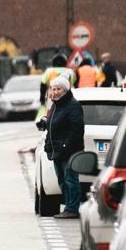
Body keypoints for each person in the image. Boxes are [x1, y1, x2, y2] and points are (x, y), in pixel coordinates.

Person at [41, 75, 87, 217]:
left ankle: (72, 209)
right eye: (53, 89)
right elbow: (51, 128)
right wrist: (48, 145)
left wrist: (66, 146)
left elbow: (77, 129)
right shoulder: (55, 106)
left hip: (70, 152)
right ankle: (68, 207)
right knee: (62, 180)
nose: (55, 91)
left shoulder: (73, 106)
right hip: (57, 152)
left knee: (70, 180)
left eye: (58, 89)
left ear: (65, 90)